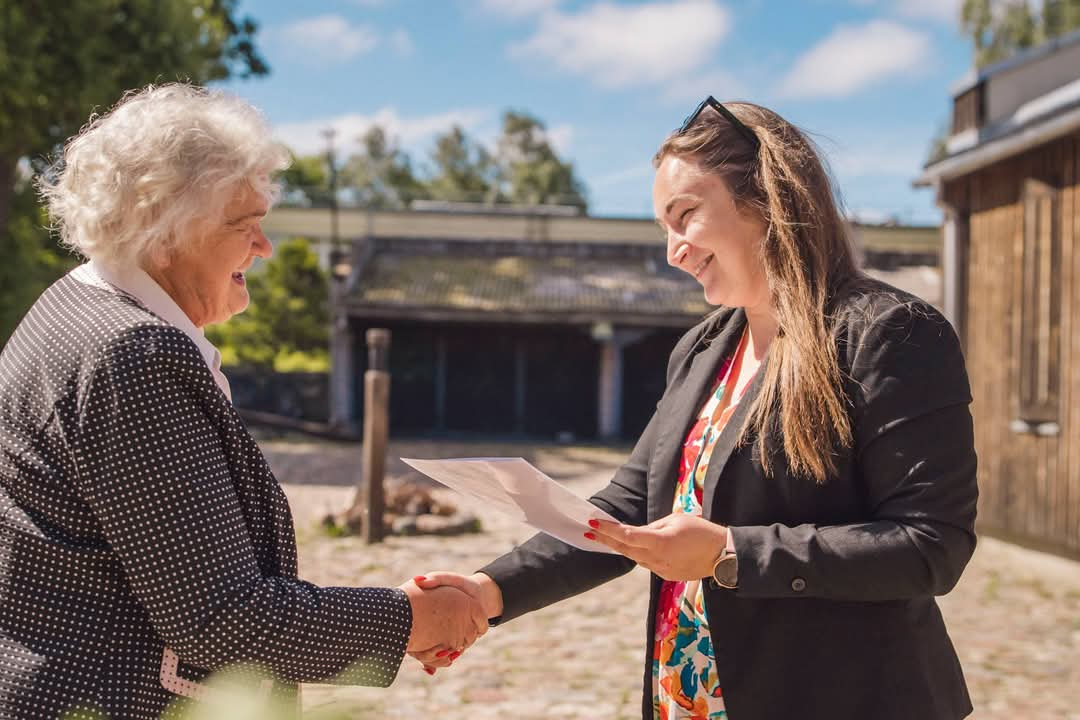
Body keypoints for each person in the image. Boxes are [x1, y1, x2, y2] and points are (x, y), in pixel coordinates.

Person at [418, 97, 979, 720]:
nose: (673, 251)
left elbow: (930, 545)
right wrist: (487, 591)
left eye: (685, 216)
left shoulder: (892, 333)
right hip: (693, 697)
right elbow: (624, 513)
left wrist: (731, 552)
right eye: (663, 226)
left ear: (768, 199)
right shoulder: (702, 348)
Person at [0, 84, 484, 720]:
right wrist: (414, 620)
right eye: (244, 225)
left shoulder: (73, 304)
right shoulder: (135, 357)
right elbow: (220, 618)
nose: (264, 248)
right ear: (164, 229)